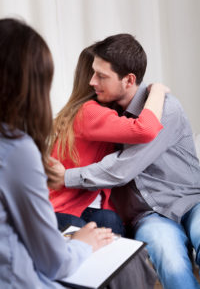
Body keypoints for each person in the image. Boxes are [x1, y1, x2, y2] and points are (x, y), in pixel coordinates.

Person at [50, 34, 200, 289]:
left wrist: (67, 176)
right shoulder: (105, 113)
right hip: (148, 215)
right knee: (170, 260)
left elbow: (124, 166)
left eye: (101, 76)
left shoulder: (164, 109)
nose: (91, 81)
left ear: (129, 79)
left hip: (190, 202)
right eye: (92, 73)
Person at [0, 18, 115, 289]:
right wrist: (79, 246)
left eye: (101, 75)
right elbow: (53, 262)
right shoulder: (16, 148)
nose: (93, 81)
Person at [49, 45, 168, 234]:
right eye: (97, 74)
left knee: (109, 220)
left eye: (102, 75)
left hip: (91, 208)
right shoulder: (89, 112)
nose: (96, 80)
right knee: (85, 232)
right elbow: (145, 129)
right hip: (62, 209)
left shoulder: (101, 114)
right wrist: (157, 91)